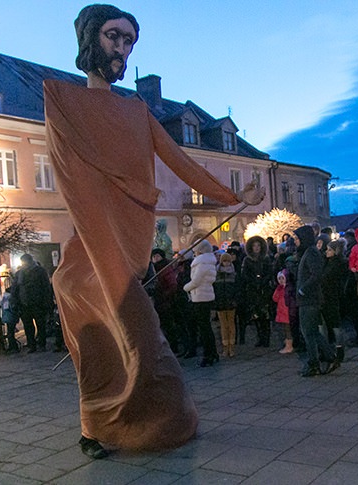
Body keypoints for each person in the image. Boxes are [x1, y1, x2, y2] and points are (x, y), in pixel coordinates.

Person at [45, 4, 263, 458]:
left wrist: (233, 196)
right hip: (92, 257)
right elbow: (74, 182)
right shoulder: (63, 101)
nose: (121, 48)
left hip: (128, 248)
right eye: (113, 36)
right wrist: (101, 245)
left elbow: (180, 162)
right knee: (115, 347)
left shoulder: (137, 112)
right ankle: (106, 426)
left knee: (132, 347)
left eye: (128, 40)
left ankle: (132, 425)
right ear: (90, 39)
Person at [294, 225, 341, 377]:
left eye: (297, 238)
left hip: (309, 299)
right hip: (307, 299)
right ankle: (328, 358)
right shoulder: (307, 252)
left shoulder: (311, 253)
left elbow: (316, 275)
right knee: (311, 332)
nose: (295, 241)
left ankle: (316, 362)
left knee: (309, 333)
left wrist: (303, 289)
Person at [183, 240, 219, 367]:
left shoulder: (202, 262)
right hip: (206, 295)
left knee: (204, 329)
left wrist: (185, 287)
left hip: (200, 297)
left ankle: (208, 355)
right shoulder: (209, 261)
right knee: (206, 327)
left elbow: (196, 281)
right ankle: (213, 353)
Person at [11, 254, 53, 353]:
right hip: (24, 304)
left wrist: (47, 302)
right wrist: (15, 301)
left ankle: (42, 344)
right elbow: (15, 288)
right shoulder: (19, 273)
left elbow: (46, 288)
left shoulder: (40, 271)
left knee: (40, 324)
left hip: (38, 303)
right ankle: (32, 345)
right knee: (28, 326)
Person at [240, 236, 274, 347]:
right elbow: (244, 275)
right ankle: (260, 337)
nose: (256, 248)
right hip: (252, 290)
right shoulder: (247, 260)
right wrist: (253, 282)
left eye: (258, 245)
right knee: (256, 315)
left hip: (264, 290)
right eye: (254, 245)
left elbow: (269, 273)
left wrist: (263, 281)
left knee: (265, 314)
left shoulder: (266, 259)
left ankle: (266, 338)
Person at [321, 239, 349, 361]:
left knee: (335, 325)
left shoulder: (337, 264)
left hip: (332, 297)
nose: (326, 252)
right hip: (328, 297)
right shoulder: (329, 262)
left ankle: (339, 350)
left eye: (329, 250)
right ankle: (329, 349)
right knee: (329, 325)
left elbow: (328, 280)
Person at [151, 248, 181, 355]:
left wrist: (165, 295)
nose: (155, 258)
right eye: (154, 257)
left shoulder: (165, 267)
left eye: (157, 256)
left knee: (168, 325)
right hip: (159, 300)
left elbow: (172, 284)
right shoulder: (153, 268)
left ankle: (173, 346)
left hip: (166, 301)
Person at [214, 252, 239, 357]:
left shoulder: (234, 274)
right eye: (224, 261)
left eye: (228, 261)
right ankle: (225, 347)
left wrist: (235, 299)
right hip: (220, 302)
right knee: (223, 325)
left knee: (231, 325)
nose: (226, 263)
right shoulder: (216, 274)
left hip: (230, 302)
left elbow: (237, 289)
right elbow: (215, 289)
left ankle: (231, 347)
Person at [273, 270, 293, 354]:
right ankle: (287, 344)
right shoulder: (280, 289)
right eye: (279, 278)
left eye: (282, 278)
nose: (281, 280)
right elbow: (274, 298)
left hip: (287, 312)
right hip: (282, 312)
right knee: (284, 329)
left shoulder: (288, 289)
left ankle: (289, 346)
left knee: (287, 330)